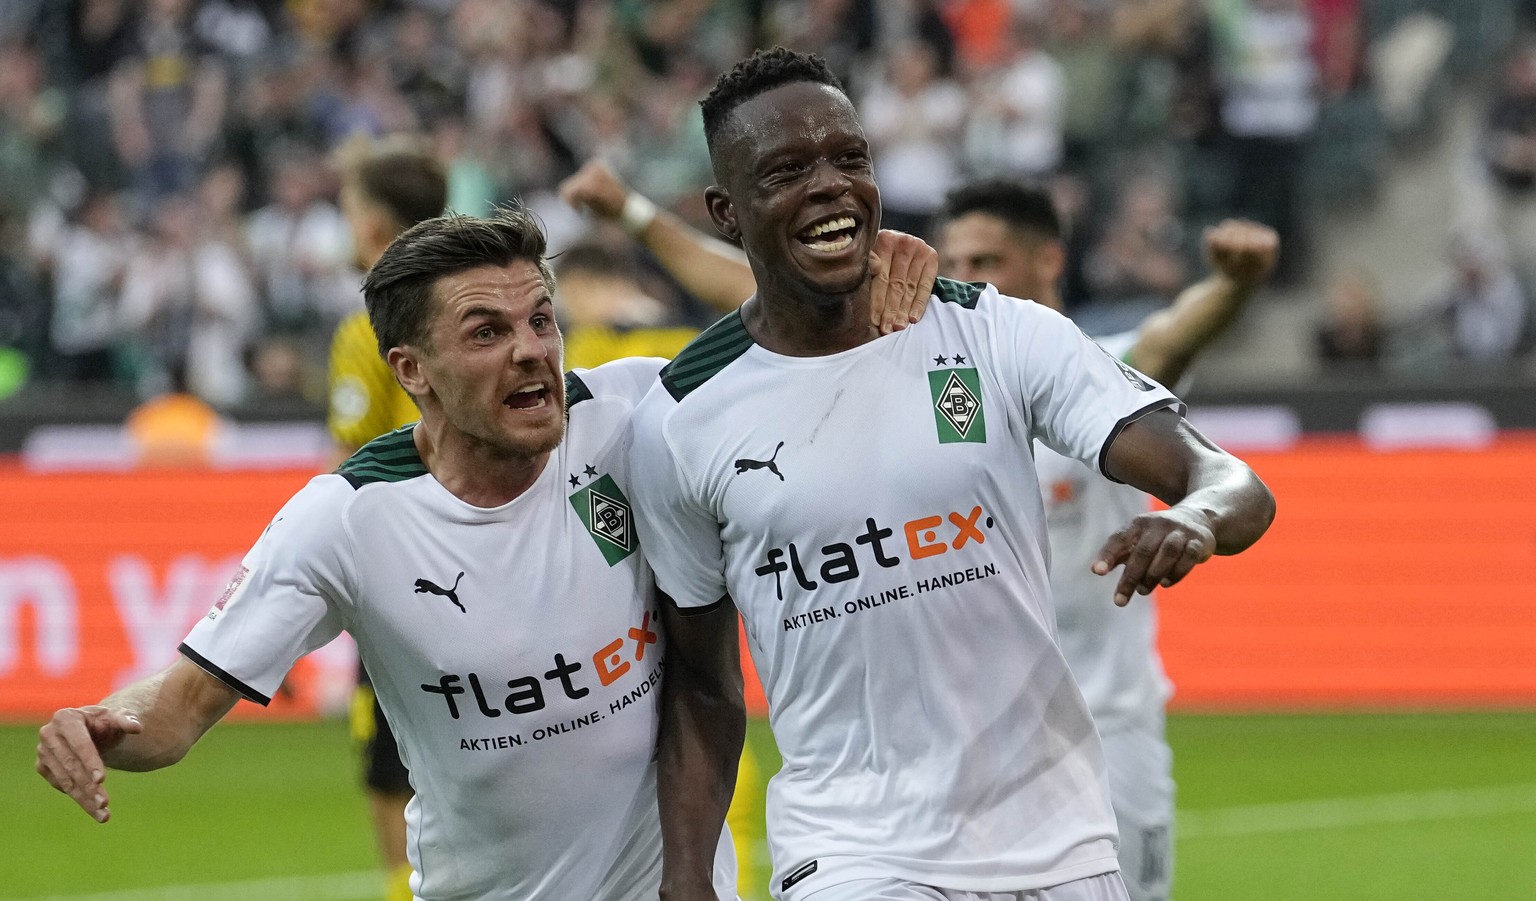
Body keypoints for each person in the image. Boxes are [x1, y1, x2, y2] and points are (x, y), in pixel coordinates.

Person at [626, 48, 1275, 901]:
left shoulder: (996, 334)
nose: (829, 185)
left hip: (1060, 840)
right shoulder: (679, 416)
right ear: (725, 212)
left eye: (849, 159)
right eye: (786, 171)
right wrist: (686, 880)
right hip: (852, 849)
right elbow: (702, 683)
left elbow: (1228, 480)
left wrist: (1194, 516)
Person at [36, 209, 738, 901]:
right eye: (487, 331)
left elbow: (788, 326)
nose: (531, 350)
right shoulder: (345, 519)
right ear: (412, 369)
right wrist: (98, 726)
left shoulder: (636, 409)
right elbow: (179, 706)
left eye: (541, 319)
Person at [939, 179, 1278, 901]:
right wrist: (635, 214)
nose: (965, 282)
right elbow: (759, 291)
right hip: (976, 738)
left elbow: (1174, 334)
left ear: (1048, 260)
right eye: (954, 264)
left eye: (986, 261)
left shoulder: (1095, 377)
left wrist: (1230, 286)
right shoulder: (934, 393)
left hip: (1107, 723)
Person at [326, 137, 449, 901]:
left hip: (406, 571)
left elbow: (353, 466)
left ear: (374, 226)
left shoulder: (367, 328)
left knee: (391, 774)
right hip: (499, 555)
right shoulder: (475, 304)